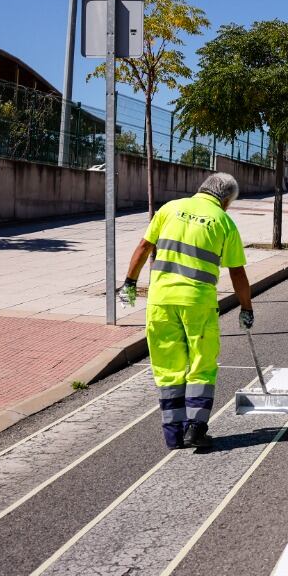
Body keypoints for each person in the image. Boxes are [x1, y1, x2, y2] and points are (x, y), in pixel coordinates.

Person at [121, 172, 252, 451]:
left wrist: (130, 283)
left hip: (161, 301)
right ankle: (196, 427)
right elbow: (237, 272)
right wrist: (246, 307)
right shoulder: (223, 222)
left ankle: (173, 434)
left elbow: (144, 247)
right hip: (197, 303)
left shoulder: (169, 209)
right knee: (201, 365)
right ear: (226, 200)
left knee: (168, 368)